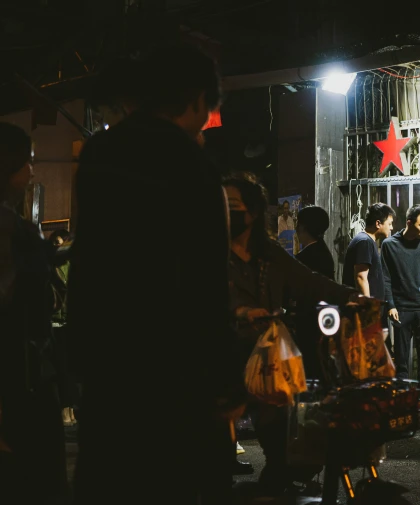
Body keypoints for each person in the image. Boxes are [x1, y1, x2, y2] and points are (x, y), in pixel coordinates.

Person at [70, 45, 240, 505]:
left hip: (107, 361)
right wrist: (225, 379)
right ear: (199, 101)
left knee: (108, 479)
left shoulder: (100, 152)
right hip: (173, 369)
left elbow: (86, 259)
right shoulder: (191, 166)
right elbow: (207, 284)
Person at [224, 172, 359, 496]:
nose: (227, 213)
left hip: (270, 362)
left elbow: (309, 280)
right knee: (213, 456)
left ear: (253, 212)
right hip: (224, 359)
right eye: (223, 206)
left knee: (280, 448)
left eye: (233, 206)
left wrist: (351, 296)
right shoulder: (209, 254)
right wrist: (239, 313)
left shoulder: (268, 254)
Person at [0, 122, 68, 505]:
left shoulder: (14, 224)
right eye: (27, 161)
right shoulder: (8, 226)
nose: (32, 171)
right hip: (18, 377)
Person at [381, 205, 420, 397]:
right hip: (401, 308)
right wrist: (391, 305)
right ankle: (403, 399)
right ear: (409, 223)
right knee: (402, 359)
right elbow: (385, 277)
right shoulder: (389, 244)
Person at [49, 228, 78, 427]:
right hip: (55, 324)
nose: (58, 247)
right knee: (61, 370)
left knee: (67, 371)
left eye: (61, 243)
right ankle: (65, 411)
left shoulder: (67, 265)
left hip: (65, 323)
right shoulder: (52, 266)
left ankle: (69, 410)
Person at [342, 202, 395, 300]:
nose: (391, 228)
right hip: (364, 310)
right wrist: (367, 307)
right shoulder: (364, 242)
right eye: (389, 224)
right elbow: (361, 277)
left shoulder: (367, 241)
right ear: (378, 223)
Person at [295, 205, 334, 279]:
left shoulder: (303, 259)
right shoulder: (324, 252)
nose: (296, 229)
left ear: (303, 227)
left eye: (298, 224)